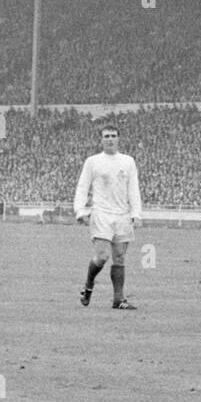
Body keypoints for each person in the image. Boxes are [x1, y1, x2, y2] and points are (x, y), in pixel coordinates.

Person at [74, 125, 143, 310]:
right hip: (101, 214)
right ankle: (88, 285)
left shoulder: (128, 161)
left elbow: (133, 189)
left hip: (122, 215)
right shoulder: (93, 161)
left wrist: (136, 213)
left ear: (119, 139)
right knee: (102, 256)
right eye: (106, 136)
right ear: (101, 139)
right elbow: (82, 187)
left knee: (119, 258)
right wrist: (80, 211)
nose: (110, 139)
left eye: (113, 136)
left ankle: (118, 299)